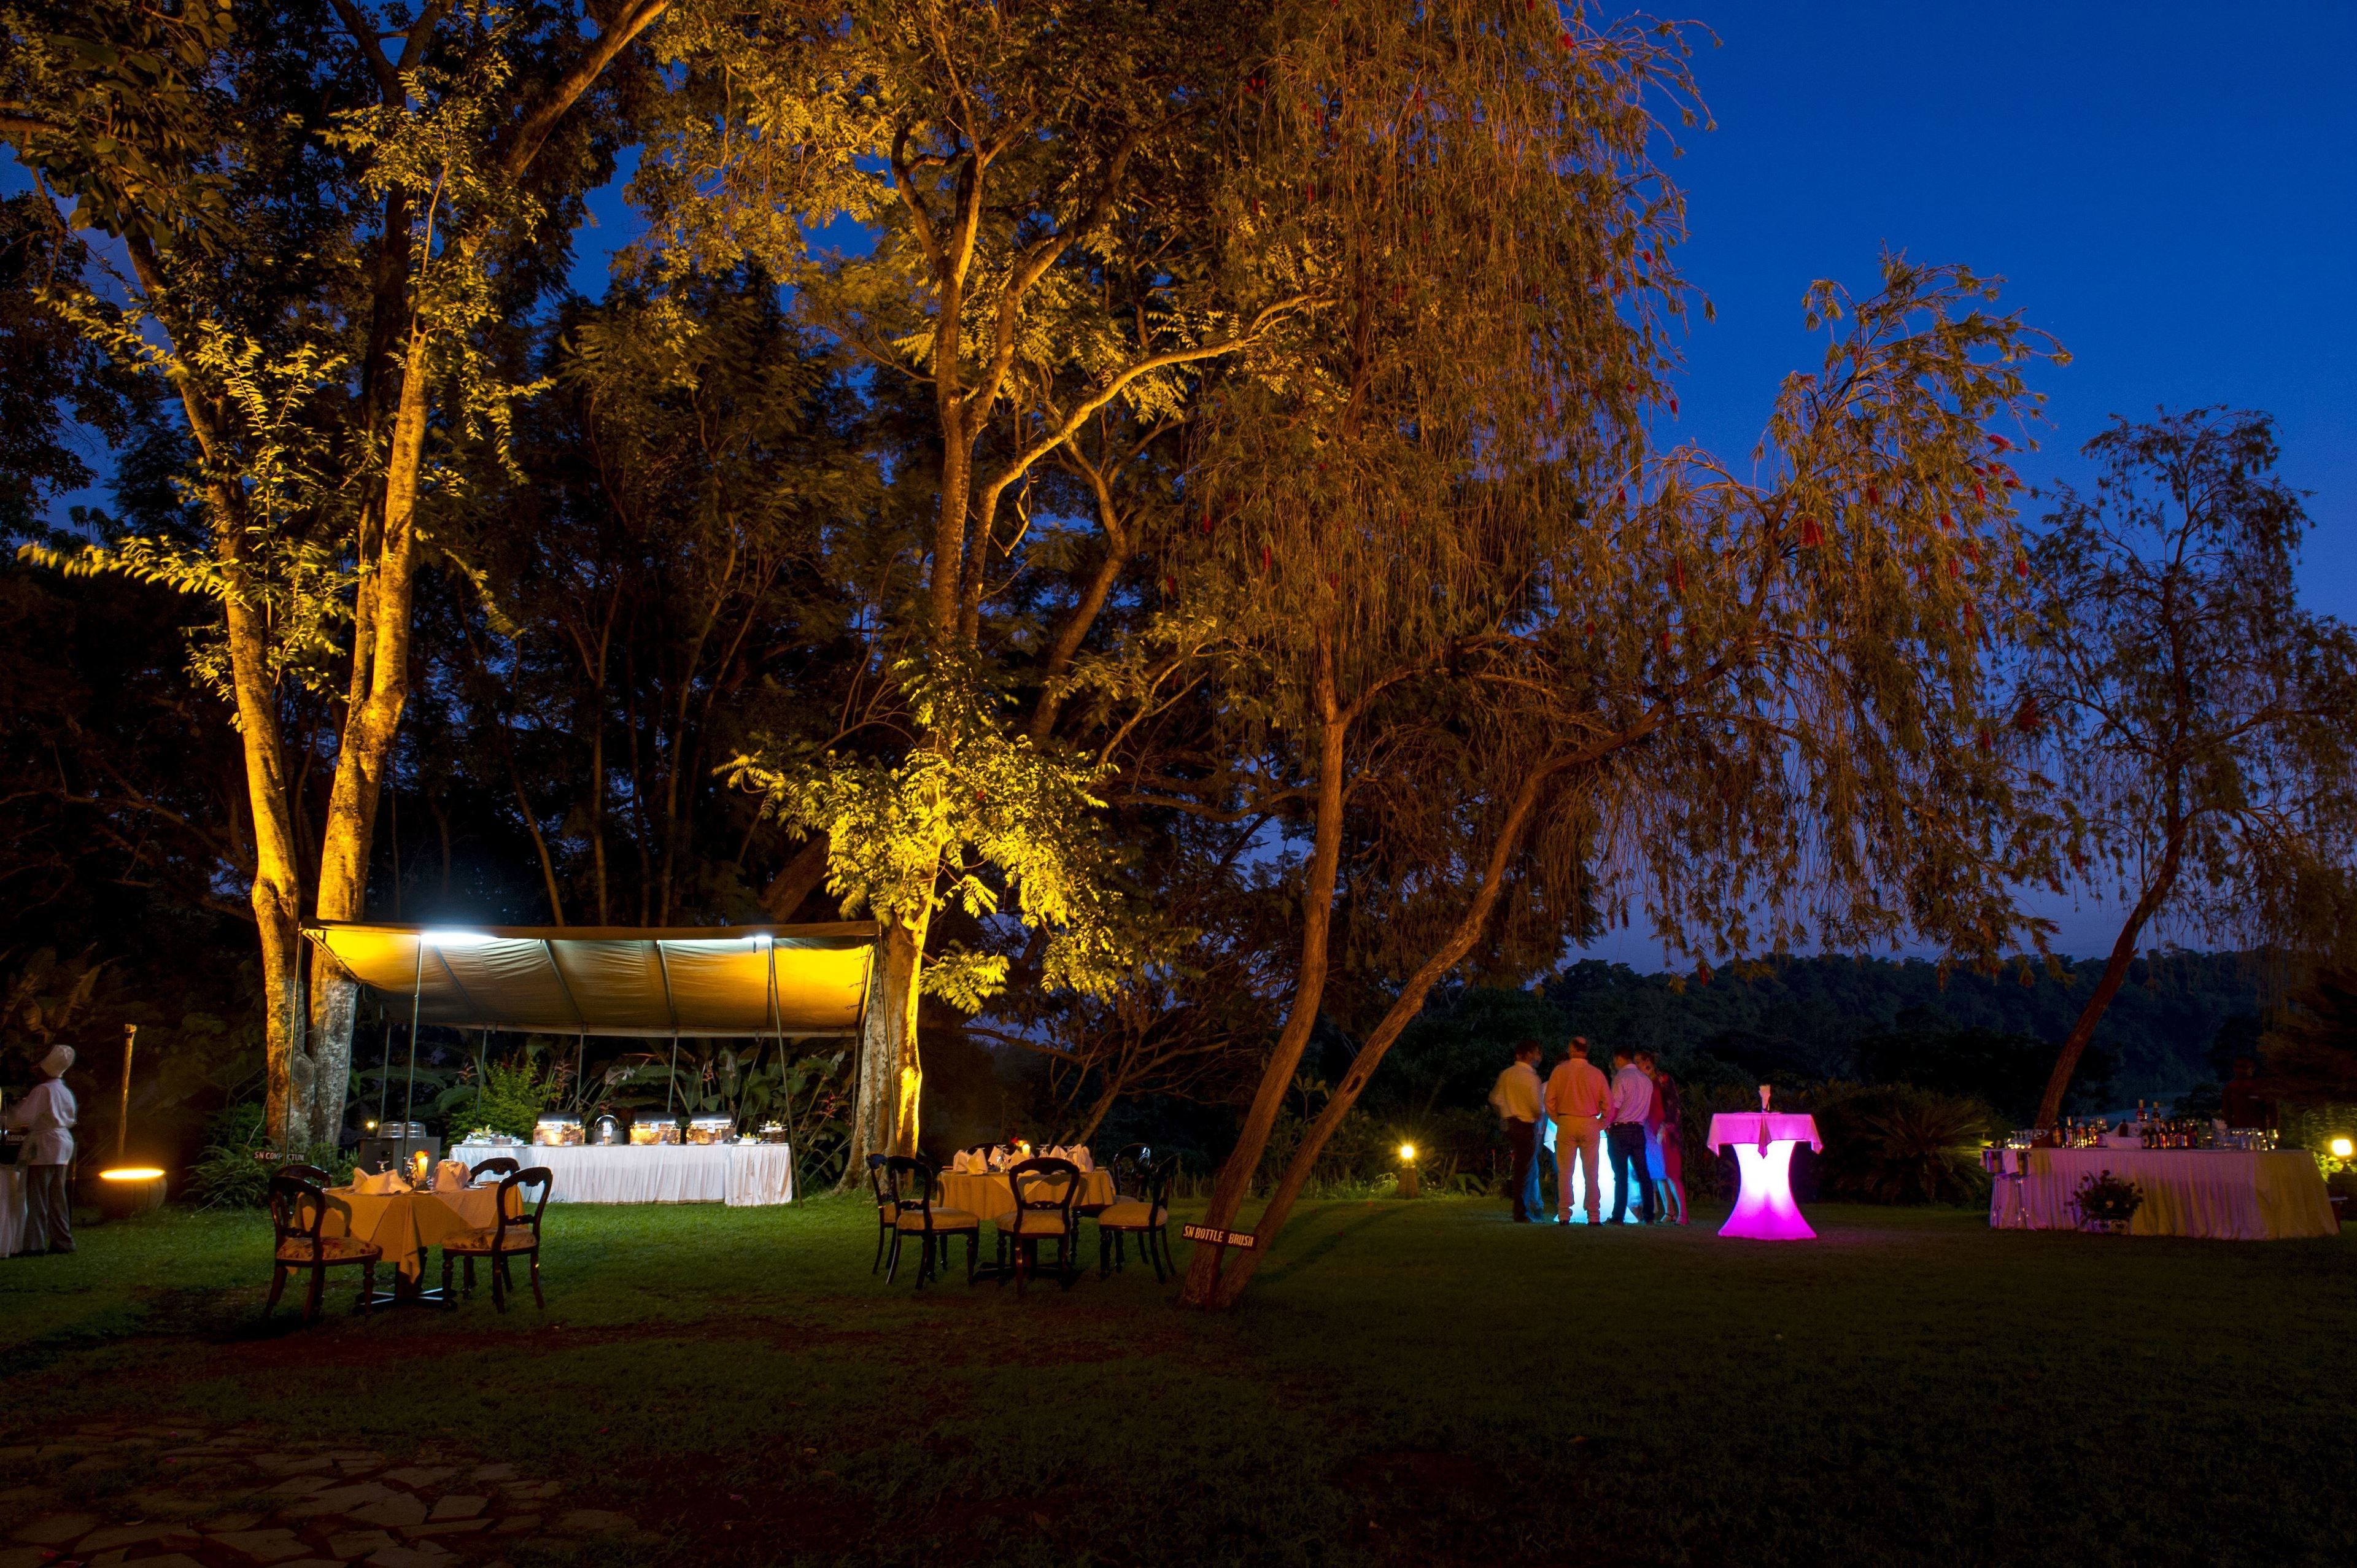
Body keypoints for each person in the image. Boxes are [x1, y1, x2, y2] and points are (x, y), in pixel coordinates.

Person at [5, 1045, 77, 1254]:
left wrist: (7, 1116)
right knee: (57, 1196)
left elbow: (23, 1117)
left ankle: (34, 1244)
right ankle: (63, 1241)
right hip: (63, 1143)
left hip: (45, 1144)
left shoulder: (43, 1090)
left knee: (37, 1195)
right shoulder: (64, 1091)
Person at [1544, 1037, 1611, 1224]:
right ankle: (1594, 1214)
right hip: (1589, 1122)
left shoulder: (1560, 1071)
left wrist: (1558, 1119)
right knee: (1591, 1171)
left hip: (1567, 1121)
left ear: (1572, 1049)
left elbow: (1549, 1100)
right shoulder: (1596, 1074)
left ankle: (1564, 1213)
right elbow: (1608, 1103)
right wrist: (1602, 1123)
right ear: (1586, 1050)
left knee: (1565, 1171)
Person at [1488, 1040, 1546, 1223]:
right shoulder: (1532, 1078)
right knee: (1525, 1170)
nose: (1539, 1057)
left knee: (1521, 1169)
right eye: (1537, 1053)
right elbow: (1537, 1107)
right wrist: (1538, 1119)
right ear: (1528, 1055)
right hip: (1526, 1125)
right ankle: (1521, 1212)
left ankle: (1523, 1208)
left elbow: (1495, 1099)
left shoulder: (1506, 1074)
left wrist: (1503, 1116)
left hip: (1510, 1124)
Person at [1604, 1046, 1656, 1225]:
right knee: (1643, 1173)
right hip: (1639, 1129)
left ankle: (1618, 1215)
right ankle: (1649, 1215)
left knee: (1621, 1174)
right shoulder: (1646, 1080)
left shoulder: (1621, 1078)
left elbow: (1615, 1106)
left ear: (1619, 1058)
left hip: (1621, 1129)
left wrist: (1607, 1123)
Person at [1639, 1049, 1687, 1226]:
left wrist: (1667, 1125)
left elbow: (1673, 1104)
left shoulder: (1663, 1079)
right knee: (1658, 1173)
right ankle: (1669, 1211)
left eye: (1640, 1061)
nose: (1638, 1065)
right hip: (1648, 1130)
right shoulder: (1643, 1082)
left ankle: (1683, 1213)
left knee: (1671, 1172)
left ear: (1649, 1062)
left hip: (1664, 1129)